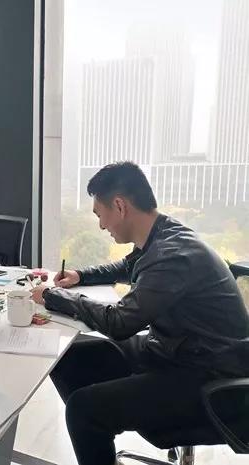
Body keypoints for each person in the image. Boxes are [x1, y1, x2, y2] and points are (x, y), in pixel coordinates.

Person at [31, 161, 249, 465]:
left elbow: (120, 322)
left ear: (120, 206)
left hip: (208, 373)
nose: (101, 226)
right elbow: (128, 266)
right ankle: (102, 438)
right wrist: (81, 275)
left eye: (99, 215)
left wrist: (54, 296)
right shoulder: (163, 235)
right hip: (175, 349)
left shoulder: (172, 255)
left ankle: (101, 423)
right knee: (69, 355)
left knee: (83, 409)